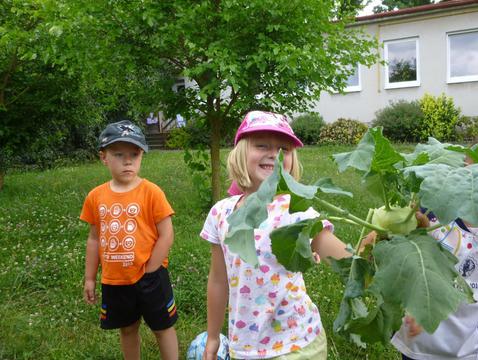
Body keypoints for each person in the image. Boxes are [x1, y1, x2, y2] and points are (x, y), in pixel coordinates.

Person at [200, 110, 351, 360]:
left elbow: (345, 261)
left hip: (297, 344)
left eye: (285, 149)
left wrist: (376, 243)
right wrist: (213, 336)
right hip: (245, 346)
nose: (274, 154)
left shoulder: (298, 210)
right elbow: (218, 279)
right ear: (240, 153)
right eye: (261, 145)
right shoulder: (221, 213)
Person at [389, 124, 478, 360]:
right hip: (418, 343)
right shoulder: (430, 213)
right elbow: (403, 261)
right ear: (468, 167)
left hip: (471, 348)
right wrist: (410, 301)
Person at [80, 120, 178, 360]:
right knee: (127, 328)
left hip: (151, 277)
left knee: (162, 327)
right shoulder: (96, 196)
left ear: (142, 155)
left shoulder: (151, 192)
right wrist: (90, 277)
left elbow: (167, 234)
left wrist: (151, 269)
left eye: (134, 154)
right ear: (104, 157)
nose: (127, 161)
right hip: (115, 280)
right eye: (119, 154)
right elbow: (94, 239)